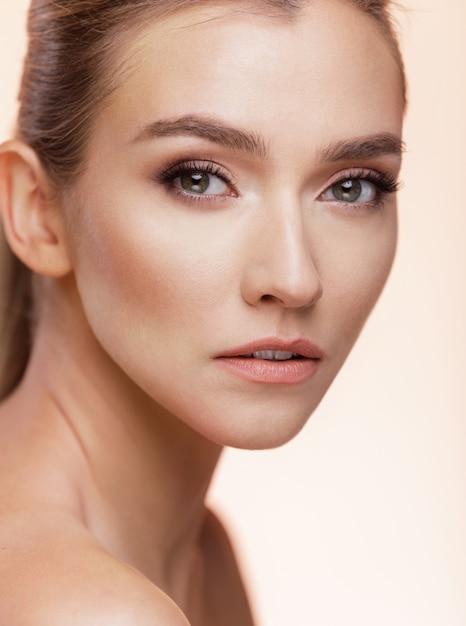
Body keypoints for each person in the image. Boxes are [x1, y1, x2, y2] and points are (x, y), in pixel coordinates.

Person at [0, 0, 406, 624]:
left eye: (352, 186)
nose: (295, 279)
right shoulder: (89, 609)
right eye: (199, 179)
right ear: (37, 211)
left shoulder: (200, 553)